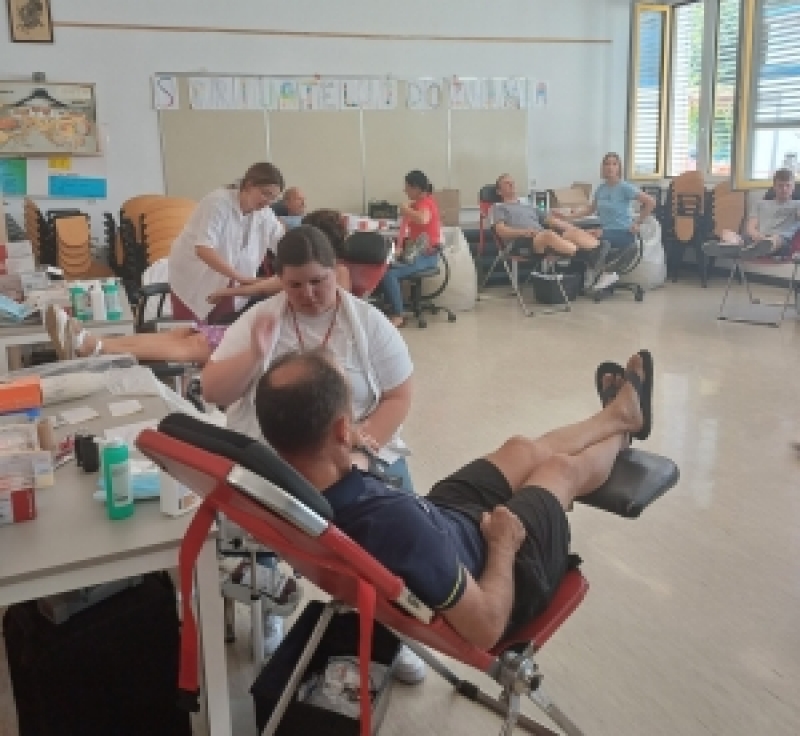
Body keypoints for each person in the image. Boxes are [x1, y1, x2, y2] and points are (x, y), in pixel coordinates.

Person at [254, 347, 652, 650]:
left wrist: (350, 454)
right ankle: (622, 432)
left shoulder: (286, 490)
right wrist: (502, 546)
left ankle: (617, 415)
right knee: (560, 470)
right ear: (342, 430)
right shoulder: (398, 527)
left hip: (439, 521)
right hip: (501, 569)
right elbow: (486, 627)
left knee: (520, 449)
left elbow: (346, 477)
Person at [202, 224, 418, 667]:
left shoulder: (368, 323)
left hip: (350, 450)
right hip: (275, 454)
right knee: (256, 506)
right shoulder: (262, 319)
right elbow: (213, 391)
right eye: (294, 285)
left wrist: (362, 450)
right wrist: (254, 355)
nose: (308, 294)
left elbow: (399, 396)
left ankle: (395, 629)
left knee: (400, 518)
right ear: (280, 281)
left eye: (318, 281)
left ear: (336, 271)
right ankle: (270, 603)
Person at [42, 212, 352, 365]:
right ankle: (94, 344)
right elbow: (266, 286)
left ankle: (94, 347)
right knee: (185, 333)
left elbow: (332, 324)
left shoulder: (338, 276)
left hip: (283, 344)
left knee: (196, 344)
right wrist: (226, 292)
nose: (306, 289)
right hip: (267, 331)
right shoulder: (301, 275)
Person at [168, 162, 285, 324]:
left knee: (223, 329)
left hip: (231, 278)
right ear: (249, 185)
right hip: (195, 275)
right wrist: (242, 278)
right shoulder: (218, 202)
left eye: (274, 198)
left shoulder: (265, 213)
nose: (268, 201)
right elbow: (203, 249)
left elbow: (283, 243)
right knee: (191, 332)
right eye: (266, 194)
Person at [207, 209, 351, 308]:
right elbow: (275, 282)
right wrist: (240, 283)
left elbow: (266, 287)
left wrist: (228, 291)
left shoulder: (337, 271)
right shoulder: (334, 268)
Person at [492, 174, 611, 289]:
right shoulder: (499, 207)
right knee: (548, 234)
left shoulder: (528, 205)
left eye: (512, 182)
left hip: (541, 238)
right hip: (520, 243)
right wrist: (523, 232)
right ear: (499, 191)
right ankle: (587, 256)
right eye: (507, 183)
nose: (512, 185)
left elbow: (551, 220)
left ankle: (599, 249)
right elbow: (501, 231)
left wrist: (579, 230)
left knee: (570, 232)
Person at [378, 170, 442, 328]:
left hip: (427, 256)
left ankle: (398, 315)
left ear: (416, 188)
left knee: (390, 275)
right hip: (415, 253)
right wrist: (399, 247)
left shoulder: (426, 203)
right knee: (385, 267)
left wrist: (405, 209)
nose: (404, 190)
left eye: (407, 187)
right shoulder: (418, 204)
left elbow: (423, 219)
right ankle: (391, 306)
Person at [566, 153, 656, 251]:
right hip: (605, 230)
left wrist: (638, 222)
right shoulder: (601, 188)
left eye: (614, 164)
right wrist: (568, 217)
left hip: (623, 233)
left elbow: (651, 202)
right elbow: (590, 209)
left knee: (578, 236)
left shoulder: (625, 187)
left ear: (619, 168)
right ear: (603, 168)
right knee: (571, 234)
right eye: (607, 164)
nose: (610, 167)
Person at [718, 168, 800, 256]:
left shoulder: (797, 204)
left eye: (788, 185)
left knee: (775, 240)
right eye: (780, 185)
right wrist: (757, 235)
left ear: (793, 187)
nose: (784, 189)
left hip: (780, 241)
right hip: (757, 238)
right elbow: (750, 227)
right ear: (774, 186)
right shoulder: (760, 204)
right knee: (725, 233)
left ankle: (742, 249)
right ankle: (739, 246)